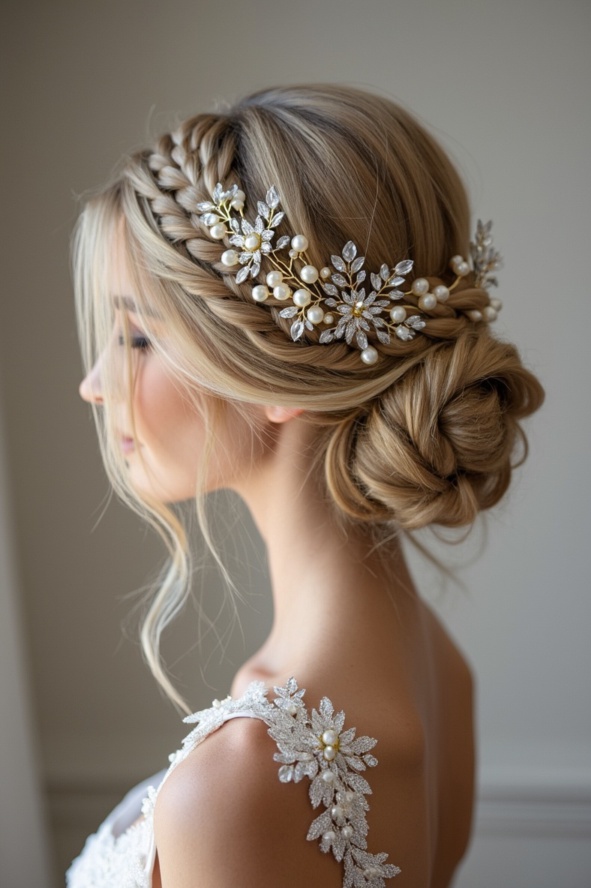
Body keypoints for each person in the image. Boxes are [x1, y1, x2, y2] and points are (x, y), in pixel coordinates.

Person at [67, 84, 543, 888]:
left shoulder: (247, 776)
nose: (93, 383)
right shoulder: (439, 669)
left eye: (138, 336)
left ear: (270, 376)